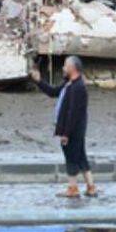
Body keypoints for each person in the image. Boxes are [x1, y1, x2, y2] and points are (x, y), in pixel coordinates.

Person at [31, 56, 96, 199]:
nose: (63, 68)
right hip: (74, 128)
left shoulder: (78, 87)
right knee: (80, 157)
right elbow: (53, 92)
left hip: (74, 129)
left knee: (71, 157)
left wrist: (66, 133)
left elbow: (73, 113)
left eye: (66, 66)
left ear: (73, 68)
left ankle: (73, 188)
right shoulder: (69, 83)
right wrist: (39, 81)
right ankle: (91, 187)